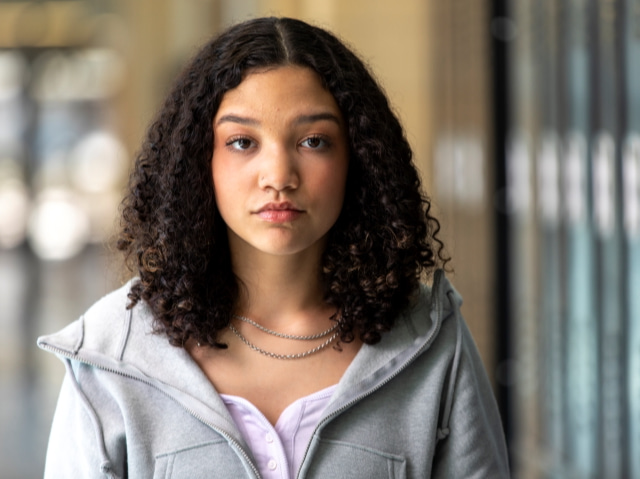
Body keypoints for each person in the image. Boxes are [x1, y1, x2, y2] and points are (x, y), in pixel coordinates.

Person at [38, 16, 509, 479]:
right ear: (201, 161)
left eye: (313, 141)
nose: (279, 176)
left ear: (357, 160)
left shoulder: (429, 339)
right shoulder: (112, 355)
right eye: (243, 142)